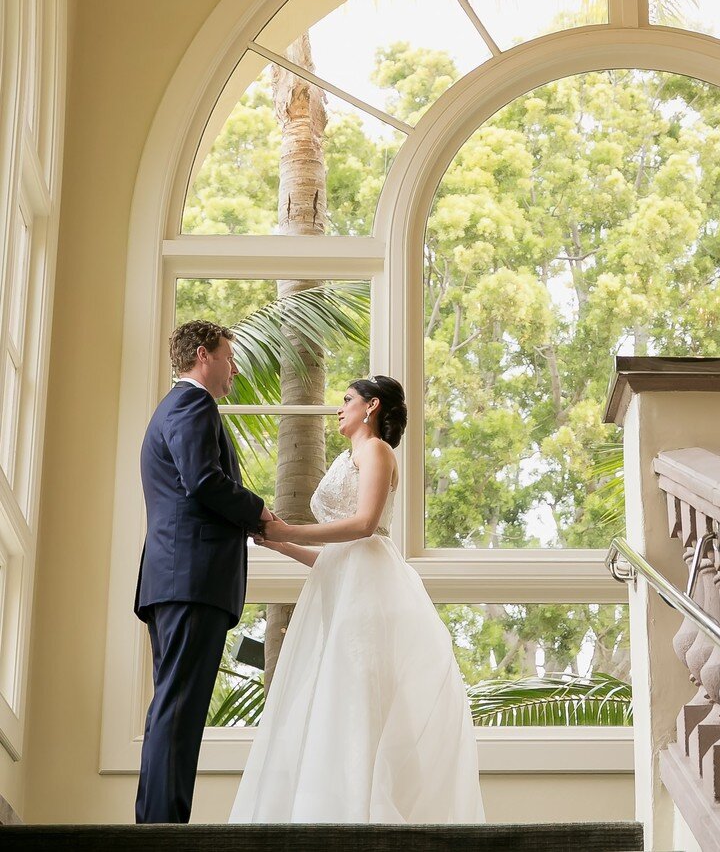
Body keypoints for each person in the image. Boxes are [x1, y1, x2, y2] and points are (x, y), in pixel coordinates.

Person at [229, 375, 485, 824]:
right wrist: (278, 544)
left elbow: (364, 524)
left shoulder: (377, 452)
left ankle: (364, 818)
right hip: (341, 590)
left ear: (372, 406)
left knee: (359, 697)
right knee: (333, 701)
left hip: (369, 593)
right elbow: (334, 559)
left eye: (347, 400)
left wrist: (288, 529)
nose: (338, 408)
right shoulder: (349, 457)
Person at [135, 319, 277, 824]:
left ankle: (156, 824)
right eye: (229, 357)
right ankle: (161, 830)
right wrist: (260, 514)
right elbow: (204, 481)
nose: (235, 368)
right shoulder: (193, 404)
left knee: (174, 707)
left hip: (177, 578)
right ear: (203, 355)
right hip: (191, 579)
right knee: (179, 709)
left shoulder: (172, 408)